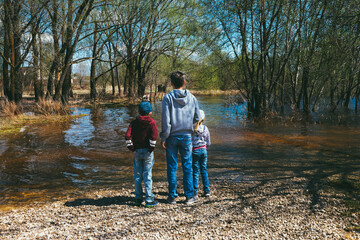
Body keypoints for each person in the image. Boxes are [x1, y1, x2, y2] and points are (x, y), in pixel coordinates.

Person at [160, 70, 201, 205]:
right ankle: (189, 197)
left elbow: (166, 121)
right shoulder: (192, 98)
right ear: (184, 82)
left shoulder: (167, 98)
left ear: (171, 83)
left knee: (172, 167)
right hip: (187, 136)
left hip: (172, 136)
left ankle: (172, 197)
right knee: (187, 166)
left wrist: (164, 137)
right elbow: (197, 118)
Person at [125, 101, 158, 208]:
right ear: (150, 113)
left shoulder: (134, 123)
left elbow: (127, 136)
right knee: (148, 175)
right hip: (147, 152)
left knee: (138, 175)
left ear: (139, 111)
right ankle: (149, 200)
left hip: (137, 151)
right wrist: (151, 149)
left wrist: (131, 148)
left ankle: (138, 199)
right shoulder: (152, 122)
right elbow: (154, 137)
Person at [192, 110, 211, 197]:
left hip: (195, 151)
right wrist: (205, 146)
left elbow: (190, 142)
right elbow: (208, 142)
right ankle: (206, 190)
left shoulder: (192, 129)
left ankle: (195, 191)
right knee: (204, 170)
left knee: (195, 172)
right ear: (203, 119)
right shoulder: (205, 128)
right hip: (203, 150)